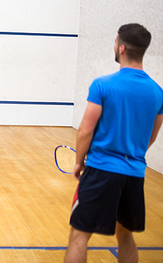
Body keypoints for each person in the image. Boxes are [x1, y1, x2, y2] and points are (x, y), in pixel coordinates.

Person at [64, 23, 163, 263]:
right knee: (125, 236)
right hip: (134, 174)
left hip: (101, 170)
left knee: (79, 236)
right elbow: (152, 135)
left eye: (115, 42)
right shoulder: (157, 92)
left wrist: (79, 162)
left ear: (121, 48)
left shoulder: (103, 85)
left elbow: (86, 130)